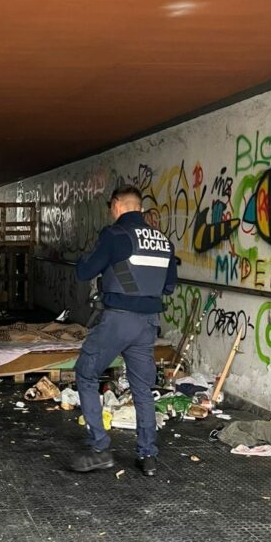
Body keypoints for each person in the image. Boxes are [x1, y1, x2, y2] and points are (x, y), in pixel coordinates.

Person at [71, 184, 177, 477]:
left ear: (117, 205)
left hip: (118, 319)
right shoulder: (162, 241)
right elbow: (169, 285)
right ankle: (148, 456)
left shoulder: (114, 235)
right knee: (142, 388)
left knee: (86, 373)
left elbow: (85, 272)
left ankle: (100, 448)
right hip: (148, 324)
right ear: (140, 208)